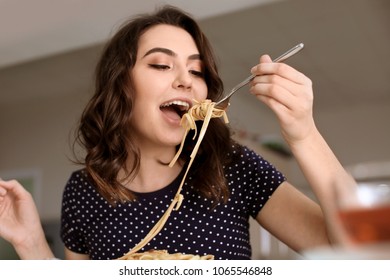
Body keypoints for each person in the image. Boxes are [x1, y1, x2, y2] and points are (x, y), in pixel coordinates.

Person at [0, 5, 355, 260]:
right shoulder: (84, 190)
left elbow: (362, 248)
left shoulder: (233, 166)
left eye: (197, 71)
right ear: (120, 85)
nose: (186, 80)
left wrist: (304, 135)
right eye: (160, 64)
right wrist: (32, 244)